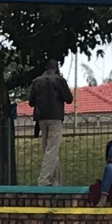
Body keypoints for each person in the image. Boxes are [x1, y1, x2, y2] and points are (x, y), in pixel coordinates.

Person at [28, 60, 73, 188]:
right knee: (52, 149)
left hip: (41, 118)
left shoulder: (37, 81)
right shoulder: (59, 80)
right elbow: (69, 99)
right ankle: (43, 180)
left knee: (48, 149)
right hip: (55, 116)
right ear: (56, 68)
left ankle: (55, 181)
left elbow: (31, 102)